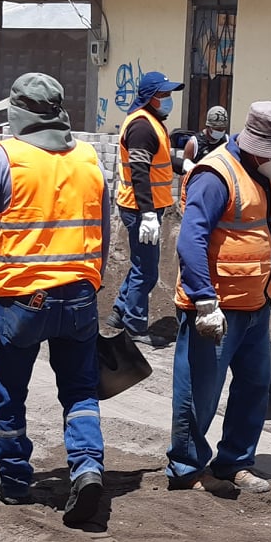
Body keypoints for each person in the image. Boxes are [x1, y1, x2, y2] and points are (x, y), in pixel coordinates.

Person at [0, 73, 110, 527]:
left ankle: (14, 480)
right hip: (80, 295)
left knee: (9, 390)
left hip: (23, 300)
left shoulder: (5, 158)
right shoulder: (88, 159)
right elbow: (103, 229)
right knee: (80, 390)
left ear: (18, 114)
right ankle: (87, 467)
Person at [167, 101, 271, 497]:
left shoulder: (270, 176)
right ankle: (186, 467)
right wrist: (204, 301)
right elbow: (190, 240)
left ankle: (235, 461)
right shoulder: (215, 175)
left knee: (255, 386)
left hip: (256, 303)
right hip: (217, 308)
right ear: (258, 148)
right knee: (200, 392)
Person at [107, 71, 185, 347]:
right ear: (150, 97)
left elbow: (157, 160)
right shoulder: (142, 127)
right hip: (140, 208)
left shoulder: (151, 121)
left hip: (144, 206)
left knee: (141, 264)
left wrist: (183, 165)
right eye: (163, 94)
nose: (168, 99)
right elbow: (140, 172)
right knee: (147, 271)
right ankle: (135, 326)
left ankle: (119, 311)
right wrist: (148, 214)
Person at [182, 106, 230, 174]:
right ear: (208, 126)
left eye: (223, 129)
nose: (220, 131)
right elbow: (184, 172)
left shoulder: (227, 141)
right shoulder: (194, 144)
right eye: (217, 129)